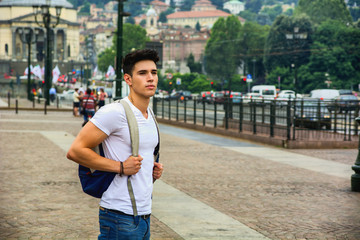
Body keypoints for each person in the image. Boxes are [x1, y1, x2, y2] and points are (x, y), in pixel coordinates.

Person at [66, 49, 163, 240]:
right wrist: (120, 167)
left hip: (144, 215)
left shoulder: (149, 114)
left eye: (154, 72)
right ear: (128, 79)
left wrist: (152, 171)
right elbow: (75, 151)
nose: (150, 78)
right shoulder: (114, 112)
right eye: (142, 73)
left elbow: (138, 157)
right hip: (119, 216)